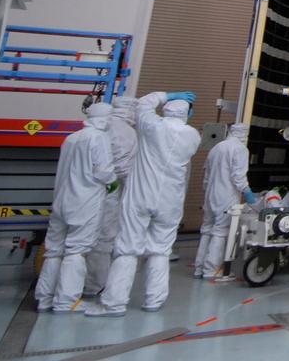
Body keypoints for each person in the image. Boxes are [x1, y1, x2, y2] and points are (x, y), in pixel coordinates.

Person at [86, 91, 201, 316]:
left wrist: (166, 95)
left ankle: (114, 303)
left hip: (141, 195)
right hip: (170, 200)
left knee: (128, 249)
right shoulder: (192, 135)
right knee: (160, 251)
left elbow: (144, 104)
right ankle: (154, 300)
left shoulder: (151, 127)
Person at [35, 103, 115, 312]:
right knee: (75, 252)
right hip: (84, 201)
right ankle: (66, 301)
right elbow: (103, 171)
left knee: (54, 251)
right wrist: (114, 181)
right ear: (106, 118)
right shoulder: (99, 138)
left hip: (62, 200)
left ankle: (45, 297)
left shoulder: (70, 138)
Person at [85, 96, 138, 294]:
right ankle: (96, 285)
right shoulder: (126, 131)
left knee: (80, 240)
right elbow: (121, 169)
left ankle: (69, 289)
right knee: (105, 237)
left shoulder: (85, 134)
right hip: (108, 191)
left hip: (84, 191)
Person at [195, 123, 253, 280]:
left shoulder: (217, 147)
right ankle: (212, 270)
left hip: (210, 194)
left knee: (206, 229)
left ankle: (199, 267)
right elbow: (238, 176)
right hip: (225, 195)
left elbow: (206, 173)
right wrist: (247, 192)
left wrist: (207, 190)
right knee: (220, 232)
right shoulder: (240, 149)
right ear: (243, 134)